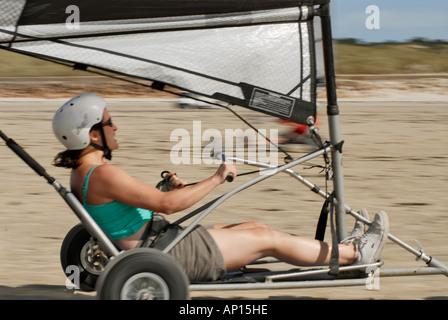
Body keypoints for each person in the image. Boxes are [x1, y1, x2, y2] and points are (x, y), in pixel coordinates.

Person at [52, 93, 389, 283]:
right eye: (109, 122)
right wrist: (216, 178)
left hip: (159, 240)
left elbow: (127, 206)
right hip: (168, 253)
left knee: (256, 227)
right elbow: (167, 205)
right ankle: (357, 255)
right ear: (93, 134)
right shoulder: (101, 173)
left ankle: (343, 251)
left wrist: (165, 188)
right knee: (267, 240)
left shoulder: (85, 173)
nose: (115, 127)